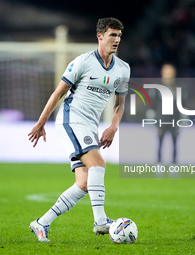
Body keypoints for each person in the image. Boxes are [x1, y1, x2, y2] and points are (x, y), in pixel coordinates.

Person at [28, 17, 130, 242]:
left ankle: (41, 223)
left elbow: (120, 104)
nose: (117, 40)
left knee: (84, 184)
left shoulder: (123, 69)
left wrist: (113, 126)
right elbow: (58, 93)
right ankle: (101, 222)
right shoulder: (82, 62)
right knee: (99, 164)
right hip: (70, 120)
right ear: (100, 36)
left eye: (119, 36)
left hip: (90, 126)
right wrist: (41, 122)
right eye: (113, 35)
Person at [156, 63, 180, 163]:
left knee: (174, 143)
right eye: (166, 72)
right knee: (160, 142)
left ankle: (174, 165)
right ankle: (159, 164)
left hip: (174, 120)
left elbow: (182, 103)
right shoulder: (157, 87)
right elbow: (153, 104)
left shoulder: (178, 87)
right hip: (162, 120)